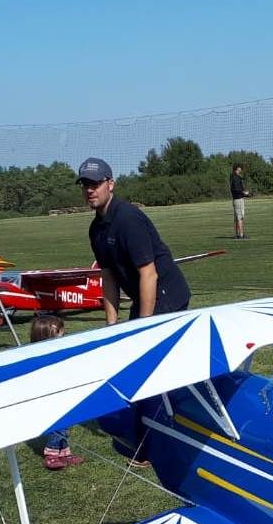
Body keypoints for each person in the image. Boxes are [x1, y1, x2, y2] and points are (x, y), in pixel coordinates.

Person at [79, 156, 191, 468]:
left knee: (148, 369)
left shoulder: (128, 219)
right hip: (146, 296)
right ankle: (143, 439)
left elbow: (149, 274)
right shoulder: (96, 229)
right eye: (85, 184)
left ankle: (148, 443)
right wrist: (112, 324)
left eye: (95, 183)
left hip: (166, 294)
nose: (90, 190)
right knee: (136, 367)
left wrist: (144, 325)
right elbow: (108, 276)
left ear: (110, 184)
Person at [30, 315, 84, 470]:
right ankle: (51, 453)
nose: (64, 335)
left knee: (66, 423)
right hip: (51, 396)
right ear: (46, 336)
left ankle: (65, 452)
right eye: (60, 333)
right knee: (59, 425)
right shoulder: (40, 356)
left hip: (63, 392)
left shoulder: (59, 351)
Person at [229, 164, 250, 239]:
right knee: (240, 217)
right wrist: (245, 193)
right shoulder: (236, 178)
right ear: (236, 169)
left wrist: (245, 194)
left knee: (237, 218)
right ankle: (241, 235)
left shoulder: (232, 177)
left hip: (235, 199)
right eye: (239, 168)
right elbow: (237, 190)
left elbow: (235, 189)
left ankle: (237, 234)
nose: (240, 170)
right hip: (238, 200)